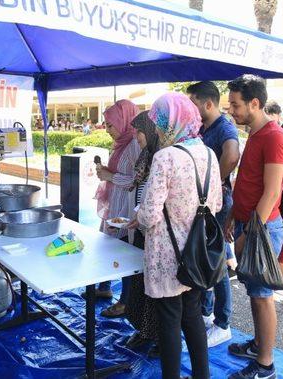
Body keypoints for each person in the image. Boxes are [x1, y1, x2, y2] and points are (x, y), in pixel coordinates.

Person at [135, 92, 222, 379]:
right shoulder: (209, 154)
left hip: (166, 254)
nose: (157, 130)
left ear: (171, 123)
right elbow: (217, 204)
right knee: (193, 315)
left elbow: (149, 216)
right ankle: (202, 375)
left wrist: (136, 215)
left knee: (169, 321)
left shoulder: (165, 157)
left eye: (160, 123)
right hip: (197, 253)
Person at [225, 75, 283, 379]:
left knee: (262, 296)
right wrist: (232, 218)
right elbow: (248, 184)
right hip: (248, 224)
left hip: (261, 229)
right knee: (253, 291)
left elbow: (272, 192)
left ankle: (265, 365)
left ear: (255, 103)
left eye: (236, 105)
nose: (232, 111)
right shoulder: (255, 133)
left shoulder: (274, 137)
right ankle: (258, 345)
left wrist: (248, 234)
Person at [187, 81, 239, 347]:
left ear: (208, 103)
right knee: (205, 260)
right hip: (206, 204)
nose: (190, 109)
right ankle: (206, 314)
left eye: (193, 103)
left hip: (218, 205)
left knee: (217, 263)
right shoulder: (203, 127)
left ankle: (223, 323)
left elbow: (232, 156)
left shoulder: (224, 127)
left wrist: (211, 184)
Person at [94, 100, 141, 317]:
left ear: (124, 121)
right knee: (107, 245)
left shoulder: (134, 144)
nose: (107, 129)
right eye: (106, 124)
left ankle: (126, 301)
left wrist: (110, 176)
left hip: (126, 207)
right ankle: (104, 288)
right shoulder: (121, 142)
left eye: (111, 125)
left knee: (123, 251)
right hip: (115, 203)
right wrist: (106, 172)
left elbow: (135, 180)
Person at [123, 111, 160, 355]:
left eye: (139, 131)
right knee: (139, 282)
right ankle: (143, 329)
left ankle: (159, 337)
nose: (136, 136)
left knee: (155, 289)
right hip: (139, 227)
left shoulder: (161, 158)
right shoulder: (145, 156)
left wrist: (142, 215)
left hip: (154, 232)